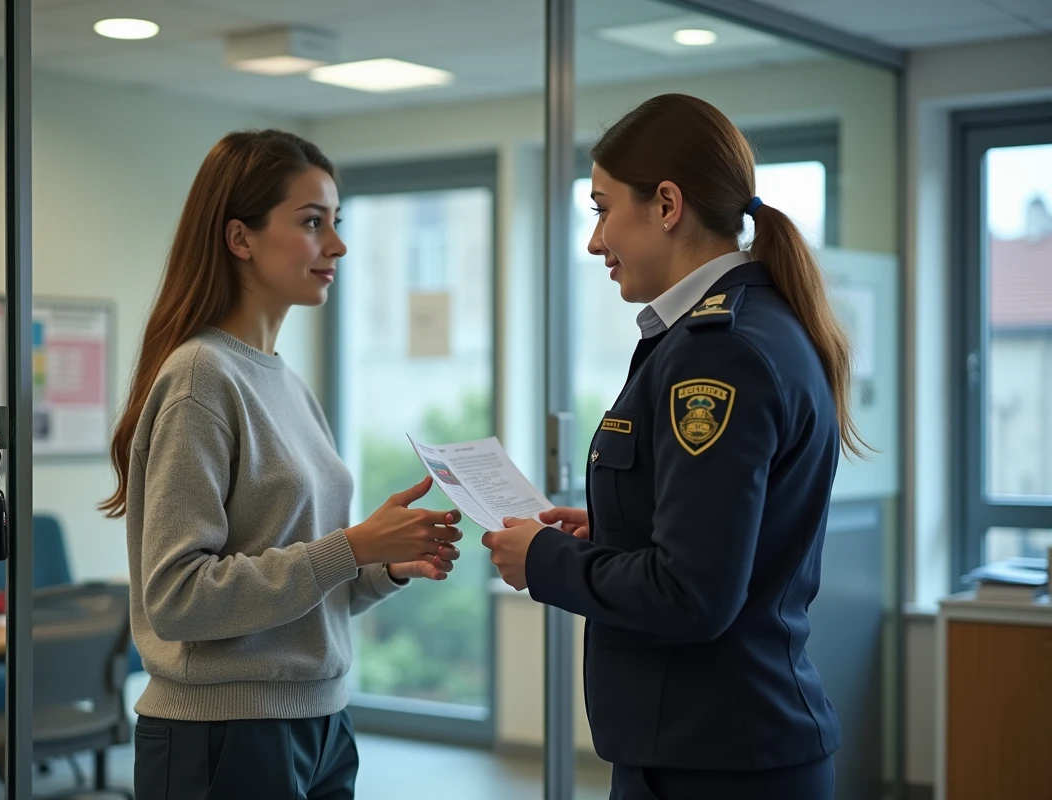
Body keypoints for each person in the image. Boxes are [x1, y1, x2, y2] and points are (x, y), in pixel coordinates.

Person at [482, 94, 868, 800]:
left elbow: (693, 594)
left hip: (716, 761)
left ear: (666, 204)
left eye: (600, 209)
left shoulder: (718, 355)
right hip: (716, 747)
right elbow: (724, 544)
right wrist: (613, 533)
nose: (594, 242)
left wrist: (546, 560)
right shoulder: (744, 327)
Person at [100, 130, 463, 800]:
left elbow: (299, 591)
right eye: (311, 223)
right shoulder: (200, 378)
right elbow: (178, 600)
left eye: (337, 222)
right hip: (223, 733)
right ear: (240, 238)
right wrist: (348, 547)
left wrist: (380, 566)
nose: (338, 245)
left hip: (321, 722)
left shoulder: (284, 382)